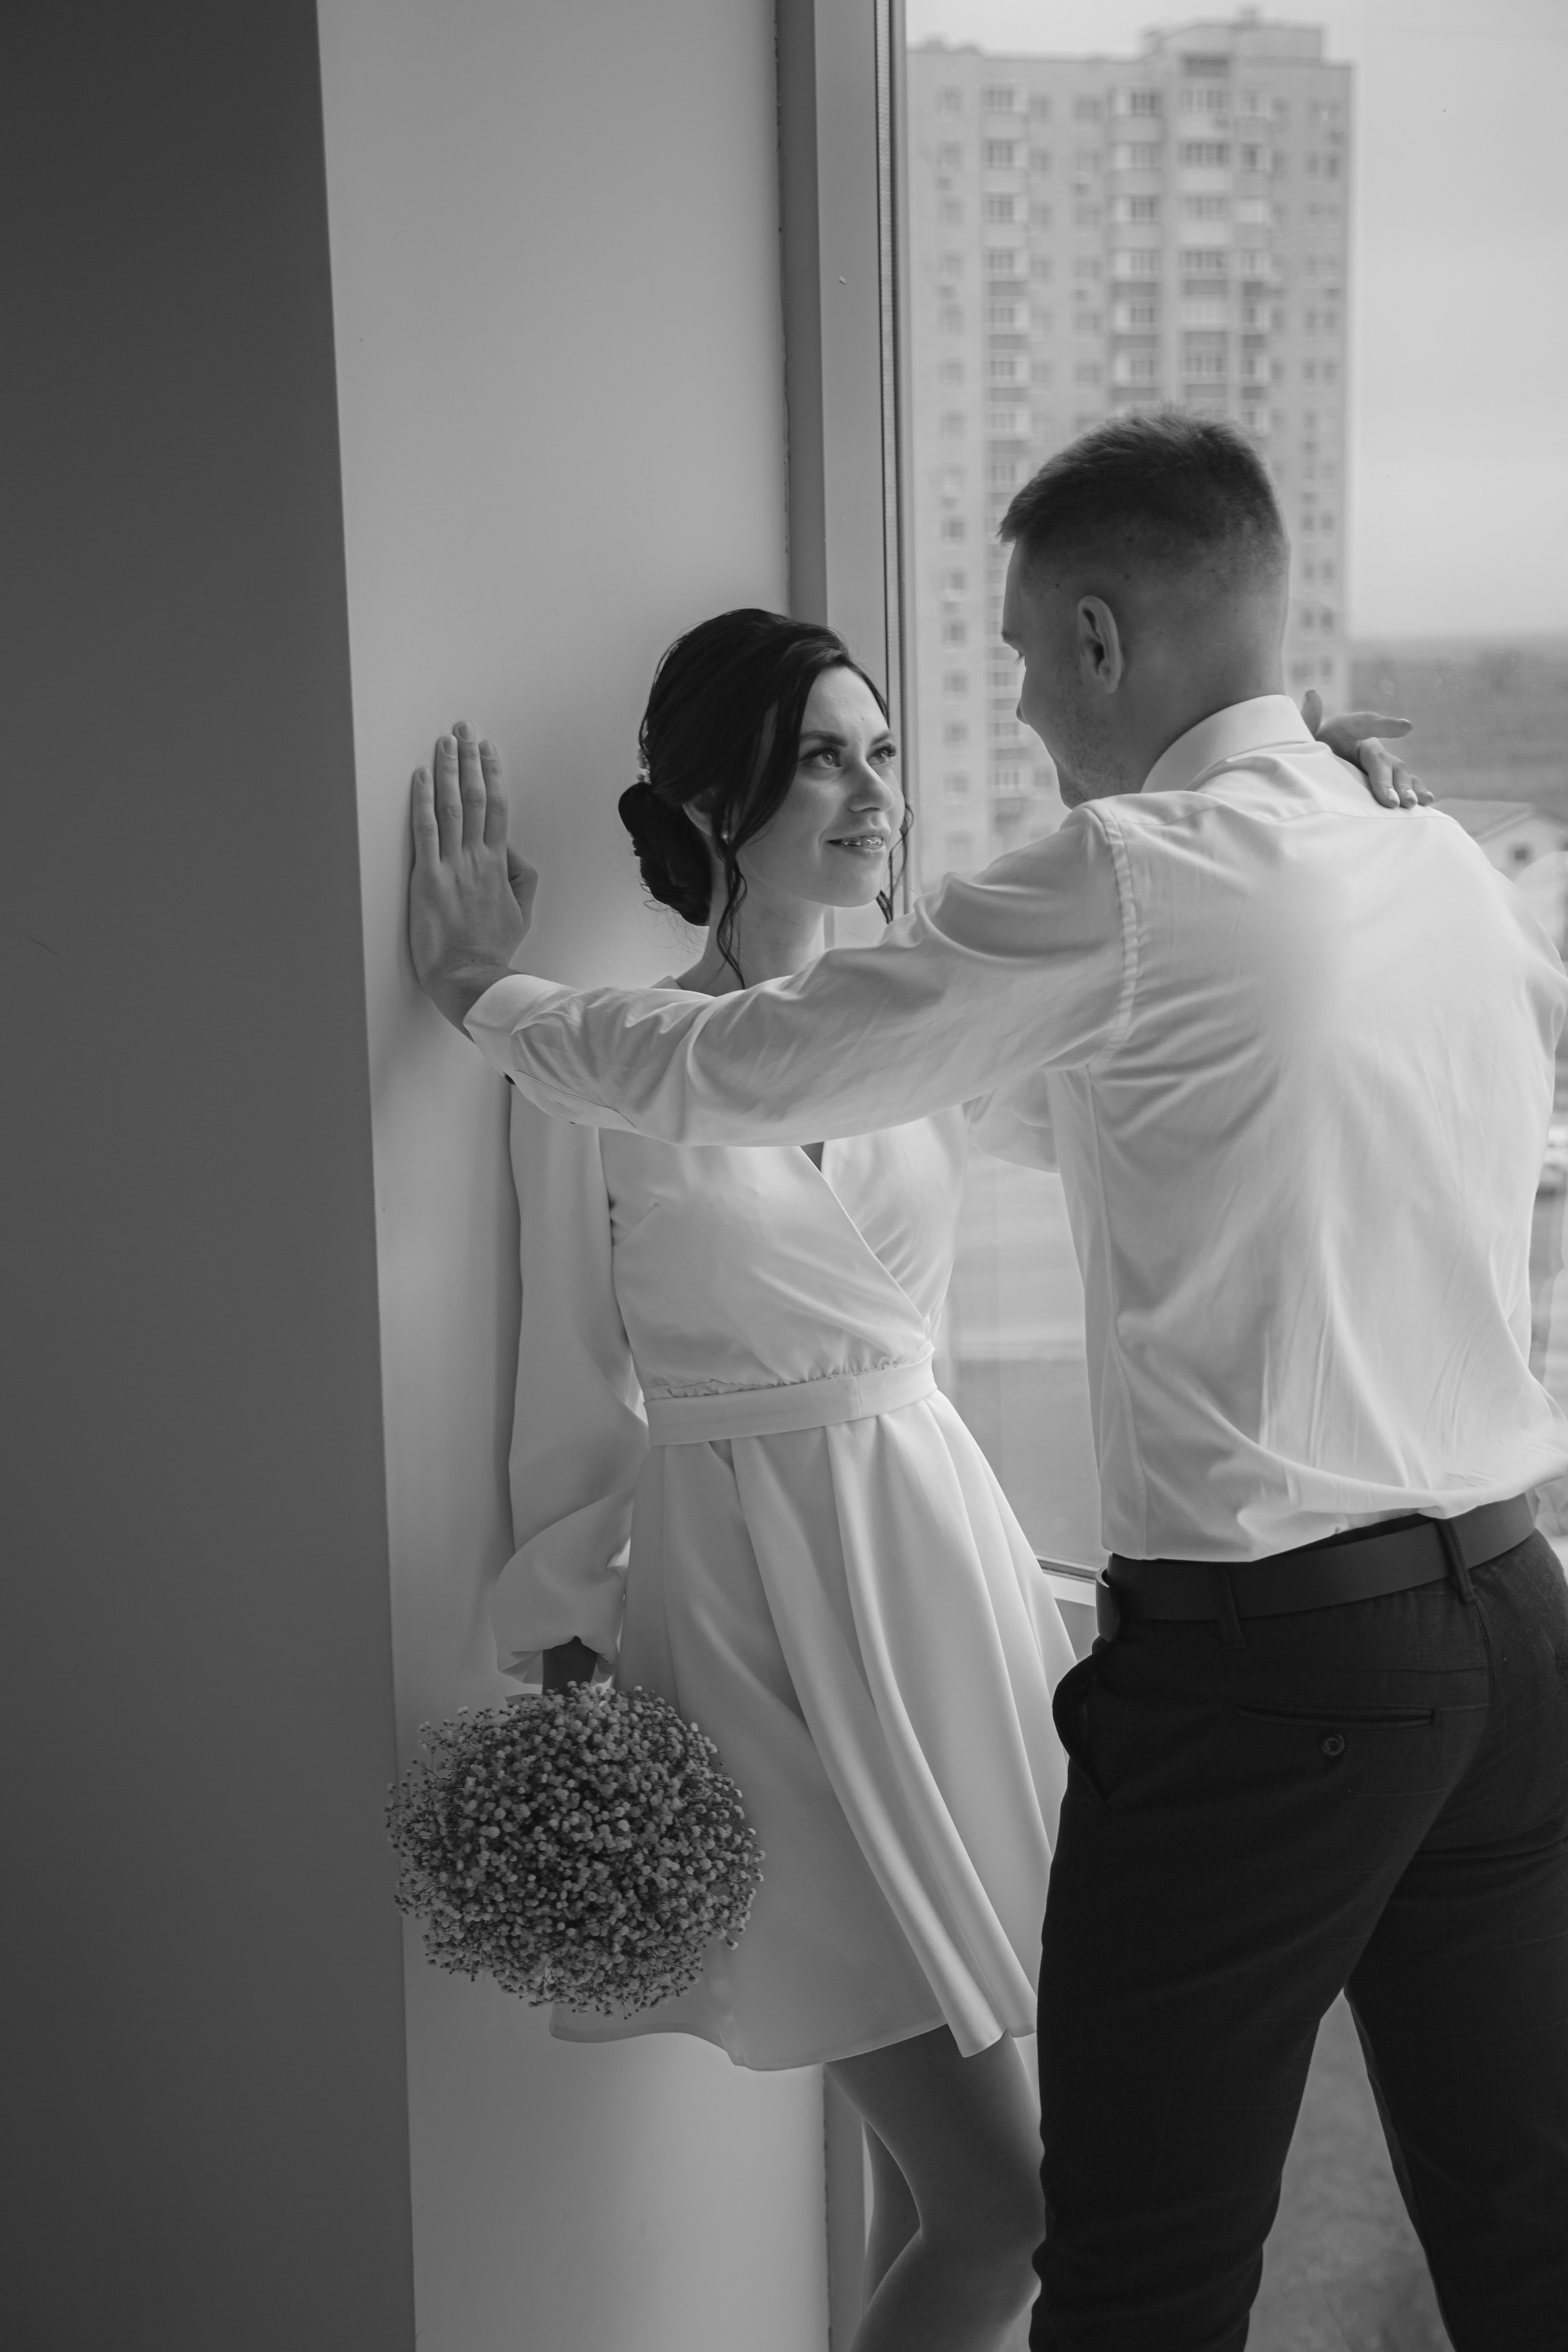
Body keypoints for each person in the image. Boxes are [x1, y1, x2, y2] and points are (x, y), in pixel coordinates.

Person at [410, 409, 1568, 2351]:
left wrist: (480, 996)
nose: (1010, 711)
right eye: (833, 753)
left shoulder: (1130, 875)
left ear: (1101, 638)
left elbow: (748, 1069)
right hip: (1505, 1620)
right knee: (1523, 2218)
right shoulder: (1433, 857)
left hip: (1264, 1661)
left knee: (1128, 2265)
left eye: (1022, 655)